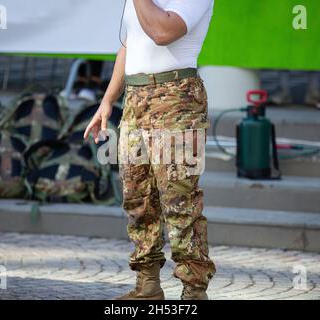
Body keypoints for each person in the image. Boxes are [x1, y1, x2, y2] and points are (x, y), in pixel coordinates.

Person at [84, 0, 216, 300]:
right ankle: (148, 285)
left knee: (179, 201)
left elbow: (162, 31)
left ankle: (194, 292)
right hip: (135, 99)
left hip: (177, 98)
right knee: (137, 198)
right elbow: (130, 45)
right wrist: (107, 100)